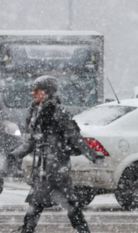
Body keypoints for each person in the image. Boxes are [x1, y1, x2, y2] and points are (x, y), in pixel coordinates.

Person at [11, 75, 103, 233]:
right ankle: (28, 229)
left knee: (61, 201)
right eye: (33, 89)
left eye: (36, 89)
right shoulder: (35, 111)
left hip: (58, 165)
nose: (33, 92)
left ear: (46, 92)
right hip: (44, 166)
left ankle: (81, 230)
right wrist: (13, 155)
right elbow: (32, 141)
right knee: (39, 201)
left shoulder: (57, 112)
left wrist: (93, 155)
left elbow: (75, 137)